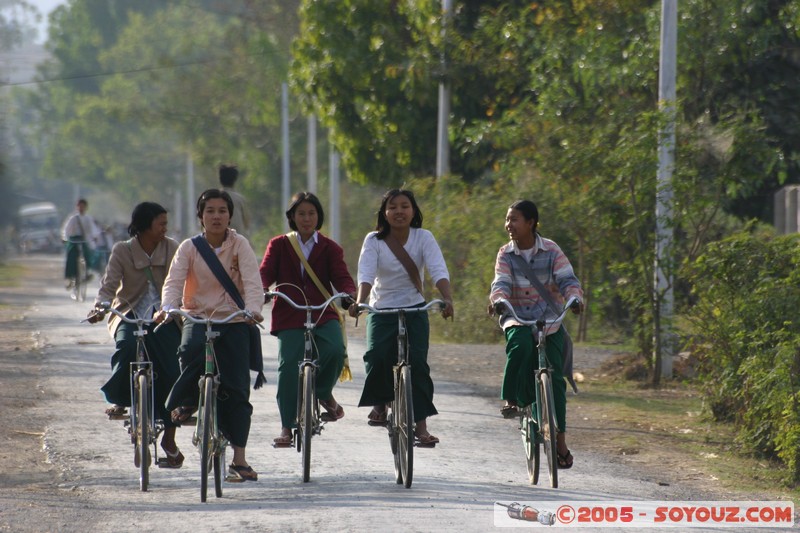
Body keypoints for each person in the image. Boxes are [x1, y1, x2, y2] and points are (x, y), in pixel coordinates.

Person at [155, 188, 264, 482]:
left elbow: (254, 283)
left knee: (238, 388)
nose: (216, 216)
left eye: (222, 211)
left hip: (233, 319)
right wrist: (168, 308)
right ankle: (189, 399)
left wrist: (253, 309)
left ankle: (239, 460)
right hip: (198, 317)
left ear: (230, 215)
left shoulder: (240, 244)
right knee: (188, 351)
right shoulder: (189, 248)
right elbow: (174, 281)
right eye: (210, 211)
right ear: (201, 216)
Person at [347, 189, 454, 446]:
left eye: (405, 206)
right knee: (376, 355)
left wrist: (447, 298)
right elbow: (366, 274)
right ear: (384, 213)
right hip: (382, 309)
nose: (399, 211)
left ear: (414, 211)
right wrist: (361, 301)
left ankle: (421, 426)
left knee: (418, 365)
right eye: (393, 207)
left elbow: (437, 269)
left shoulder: (424, 237)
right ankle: (381, 404)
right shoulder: (374, 240)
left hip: (415, 308)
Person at [488, 199, 584, 470]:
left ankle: (560, 443)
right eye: (507, 219)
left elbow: (568, 280)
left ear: (531, 223)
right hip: (517, 316)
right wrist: (497, 299)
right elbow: (501, 283)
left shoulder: (552, 250)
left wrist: (575, 298)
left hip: (549, 319)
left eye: (514, 219)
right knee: (520, 346)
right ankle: (512, 399)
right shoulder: (506, 254)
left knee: (555, 382)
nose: (509, 225)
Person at [87, 202, 184, 467]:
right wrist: (101, 306)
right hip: (130, 313)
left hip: (164, 316)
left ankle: (170, 437)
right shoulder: (122, 249)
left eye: (166, 223)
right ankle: (122, 398)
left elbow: (181, 281)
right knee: (127, 347)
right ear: (144, 225)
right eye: (160, 223)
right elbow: (109, 286)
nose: (165, 228)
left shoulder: (173, 247)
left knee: (173, 366)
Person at [260, 192, 357, 448]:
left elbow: (342, 278)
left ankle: (323, 393)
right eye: (301, 213)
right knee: (288, 366)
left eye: (311, 213)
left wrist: (349, 296)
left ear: (319, 217)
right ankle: (286, 426)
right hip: (290, 313)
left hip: (322, 311)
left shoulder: (330, 247)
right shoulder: (279, 245)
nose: (306, 218)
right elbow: (264, 273)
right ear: (292, 217)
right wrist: (260, 291)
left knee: (335, 351)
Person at [61, 198, 101, 287]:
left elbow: (93, 229)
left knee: (87, 253)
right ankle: (69, 277)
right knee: (71, 255)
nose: (81, 208)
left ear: (86, 207)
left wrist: (95, 237)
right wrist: (65, 238)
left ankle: (87, 272)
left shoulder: (88, 218)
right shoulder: (73, 218)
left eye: (83, 206)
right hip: (74, 239)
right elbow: (66, 229)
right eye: (79, 206)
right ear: (77, 207)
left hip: (84, 240)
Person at [219, 164, 250, 236]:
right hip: (237, 240)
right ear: (234, 180)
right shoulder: (240, 199)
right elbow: (246, 223)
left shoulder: (211, 199)